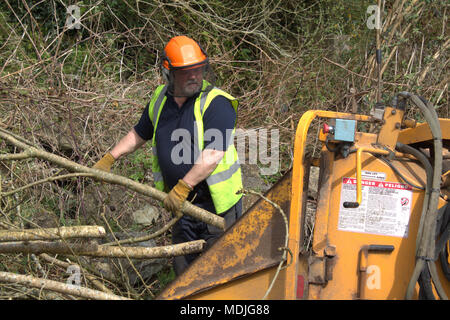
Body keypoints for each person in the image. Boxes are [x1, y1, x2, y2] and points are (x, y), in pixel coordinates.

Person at [93, 36, 243, 275]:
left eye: (198, 69)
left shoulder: (217, 103)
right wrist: (110, 157)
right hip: (181, 207)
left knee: (221, 274)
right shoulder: (160, 99)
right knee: (184, 272)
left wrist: (184, 186)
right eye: (186, 72)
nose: (194, 76)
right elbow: (140, 133)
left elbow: (213, 153)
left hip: (217, 209)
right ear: (168, 73)